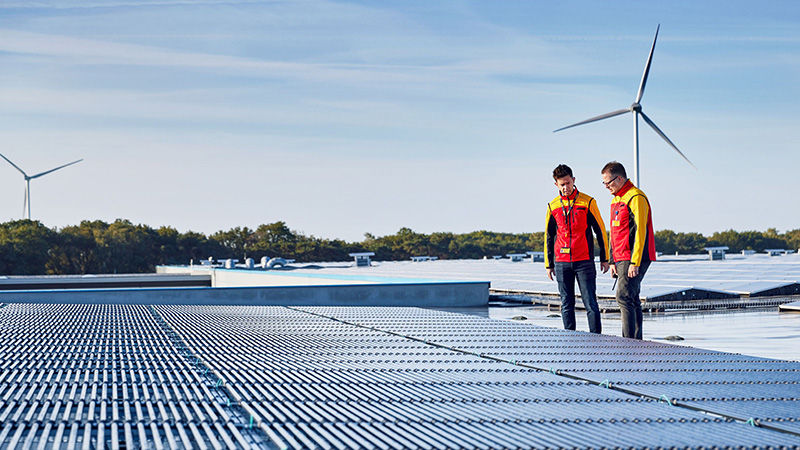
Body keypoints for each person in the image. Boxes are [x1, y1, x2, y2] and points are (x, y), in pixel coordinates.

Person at [544, 164, 609, 334]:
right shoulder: (553, 206)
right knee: (566, 303)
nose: (566, 187)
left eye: (568, 183)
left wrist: (604, 258)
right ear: (556, 185)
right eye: (562, 184)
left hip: (584, 261)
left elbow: (600, 231)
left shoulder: (588, 202)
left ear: (573, 180)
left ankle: (596, 340)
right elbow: (549, 236)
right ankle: (569, 340)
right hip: (561, 262)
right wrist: (548, 264)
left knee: (590, 303)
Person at [601, 161, 656, 340]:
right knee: (631, 298)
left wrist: (635, 261)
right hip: (620, 257)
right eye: (604, 184)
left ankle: (628, 342)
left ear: (620, 178)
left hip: (633, 256)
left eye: (608, 183)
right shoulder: (617, 199)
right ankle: (635, 341)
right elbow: (614, 232)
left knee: (623, 297)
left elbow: (641, 231)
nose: (607, 187)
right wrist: (612, 261)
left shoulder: (636, 197)